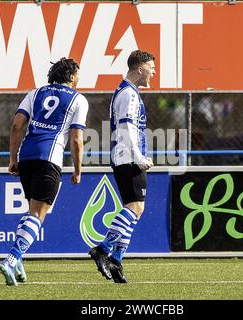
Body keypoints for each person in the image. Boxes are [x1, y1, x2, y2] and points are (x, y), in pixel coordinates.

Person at [0, 57, 88, 286]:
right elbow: (76, 139)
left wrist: (13, 159)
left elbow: (17, 125)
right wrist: (78, 170)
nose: (78, 78)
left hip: (27, 157)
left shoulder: (35, 93)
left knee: (32, 212)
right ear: (70, 76)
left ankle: (18, 261)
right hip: (50, 159)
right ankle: (12, 258)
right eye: (77, 74)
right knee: (38, 215)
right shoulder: (78, 99)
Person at [89, 50, 155, 283]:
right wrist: (138, 157)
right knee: (135, 208)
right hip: (128, 158)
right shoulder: (128, 94)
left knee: (135, 208)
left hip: (125, 157)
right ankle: (103, 249)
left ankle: (116, 261)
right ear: (140, 69)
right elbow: (126, 128)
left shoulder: (128, 92)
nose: (153, 72)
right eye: (151, 68)